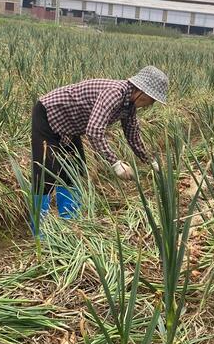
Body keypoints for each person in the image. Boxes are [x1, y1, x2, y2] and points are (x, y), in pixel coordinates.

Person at [30, 65, 167, 228]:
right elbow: (94, 131)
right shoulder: (114, 93)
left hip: (70, 127)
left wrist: (150, 161)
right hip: (49, 116)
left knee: (75, 170)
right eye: (151, 100)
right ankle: (39, 231)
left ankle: (71, 223)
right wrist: (115, 163)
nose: (149, 105)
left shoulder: (129, 106)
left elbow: (133, 135)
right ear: (142, 91)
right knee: (46, 174)